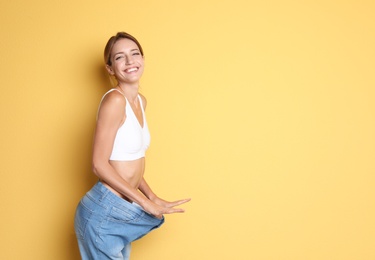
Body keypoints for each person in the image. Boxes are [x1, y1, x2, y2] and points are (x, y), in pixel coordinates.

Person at [74, 32, 190, 260]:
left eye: (134, 54)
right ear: (109, 68)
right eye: (119, 57)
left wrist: (152, 196)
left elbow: (129, 159)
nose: (129, 62)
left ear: (143, 59)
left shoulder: (140, 101)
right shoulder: (114, 100)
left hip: (121, 211)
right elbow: (99, 165)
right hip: (104, 211)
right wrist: (145, 203)